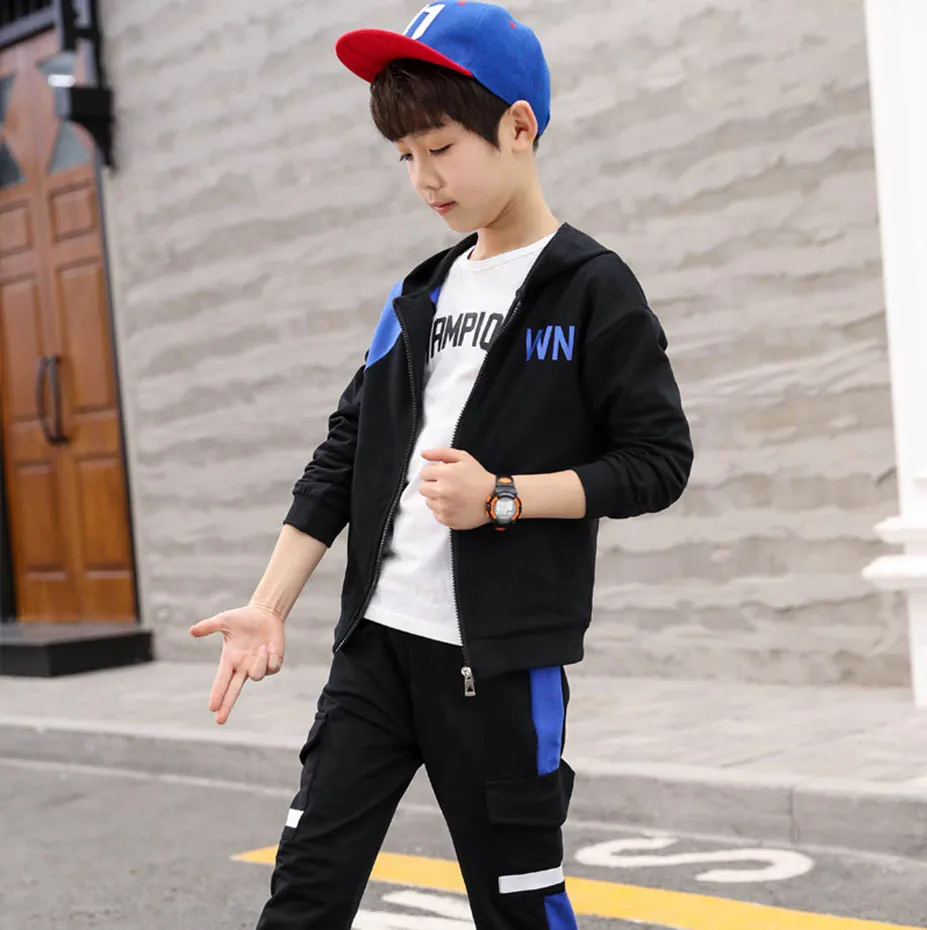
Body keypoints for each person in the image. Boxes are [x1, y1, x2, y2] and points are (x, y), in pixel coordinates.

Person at [190, 2, 693, 927]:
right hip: (374, 652)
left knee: (518, 908)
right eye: (404, 157)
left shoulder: (592, 289)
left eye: (440, 148)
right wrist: (269, 604)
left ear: (518, 127)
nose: (423, 178)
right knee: (304, 893)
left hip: (497, 668)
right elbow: (342, 454)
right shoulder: (417, 296)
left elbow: (658, 462)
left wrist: (502, 498)